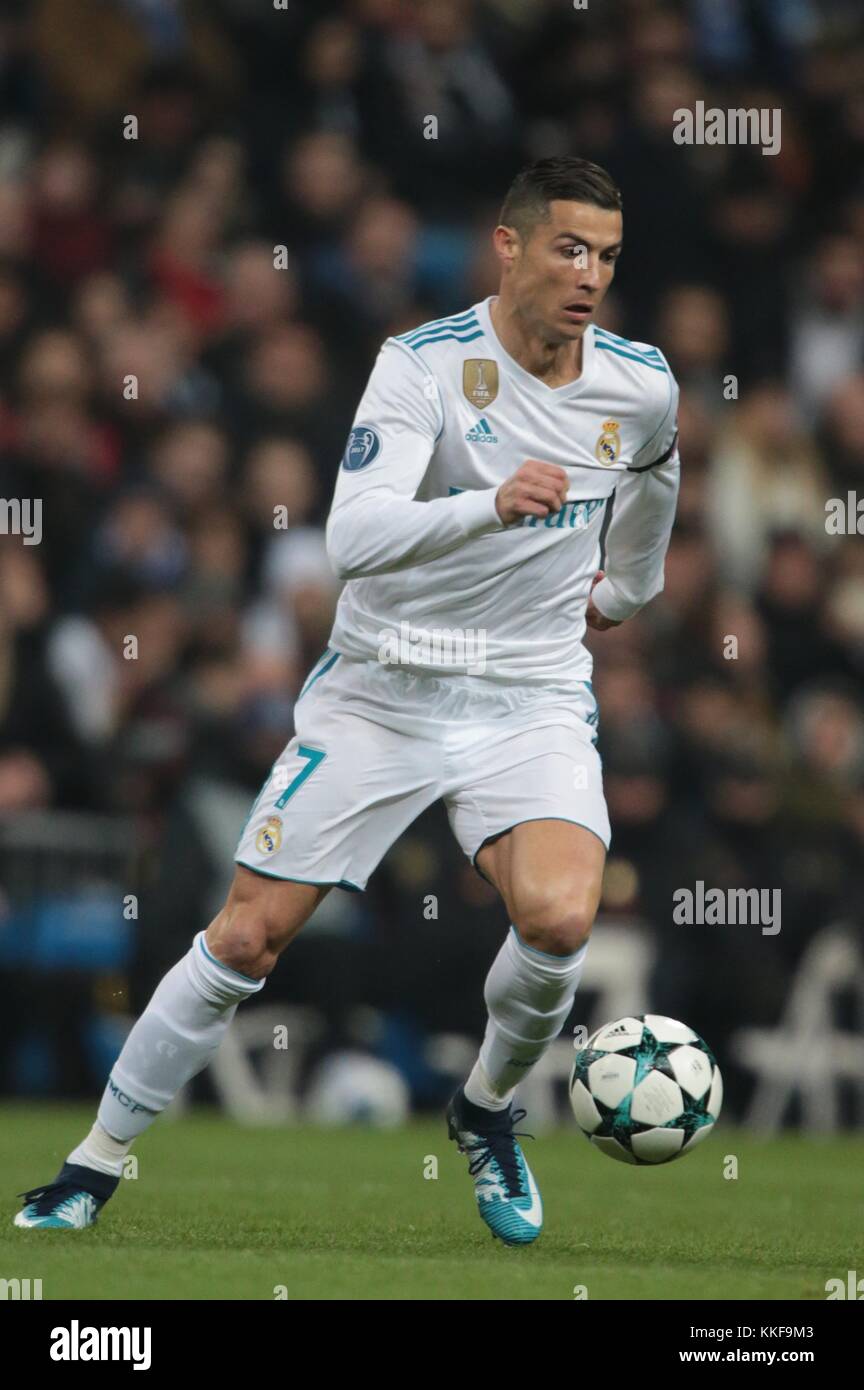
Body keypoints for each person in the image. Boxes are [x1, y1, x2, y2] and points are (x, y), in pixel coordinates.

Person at [16, 156, 680, 1245]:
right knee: (244, 939)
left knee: (561, 914)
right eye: (569, 247)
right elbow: (354, 539)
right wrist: (487, 507)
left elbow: (657, 472)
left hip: (529, 691)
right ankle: (94, 1163)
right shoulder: (422, 365)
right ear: (507, 247)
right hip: (384, 687)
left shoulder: (638, 382)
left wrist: (634, 586)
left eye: (606, 255)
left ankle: (483, 1109)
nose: (590, 275)